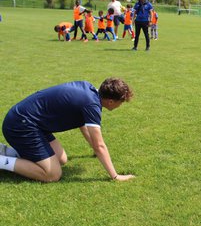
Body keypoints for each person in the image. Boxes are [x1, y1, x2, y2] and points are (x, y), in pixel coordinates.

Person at [0, 78, 135, 182]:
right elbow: (100, 145)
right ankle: (2, 161)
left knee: (62, 159)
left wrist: (93, 147)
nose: (120, 105)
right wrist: (115, 176)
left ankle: (6, 151)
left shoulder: (90, 91)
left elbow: (83, 125)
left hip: (33, 123)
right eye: (121, 102)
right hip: (21, 125)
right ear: (111, 101)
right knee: (52, 175)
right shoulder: (92, 105)